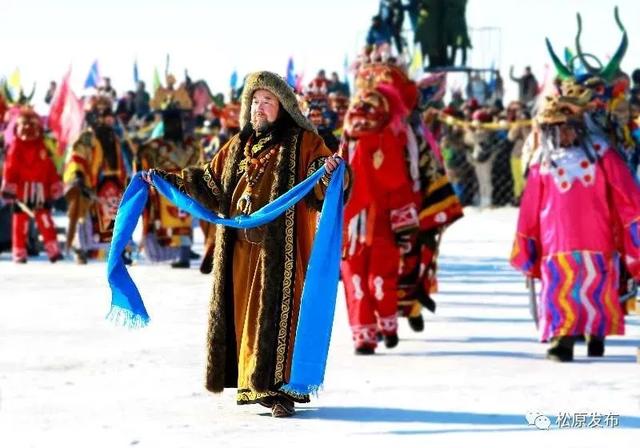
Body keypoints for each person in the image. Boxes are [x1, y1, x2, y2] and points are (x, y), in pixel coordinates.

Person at [146, 71, 345, 417]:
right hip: (238, 249)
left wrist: (328, 171)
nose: (260, 108)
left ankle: (279, 391)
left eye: (267, 101)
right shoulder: (237, 145)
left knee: (275, 314)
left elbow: (320, 179)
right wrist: (165, 180)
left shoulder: (302, 142)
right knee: (241, 317)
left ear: (282, 107)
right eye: (255, 101)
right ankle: (253, 383)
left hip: (278, 250)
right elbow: (207, 183)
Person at [511, 94, 640, 361]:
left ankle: (596, 333)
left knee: (595, 285)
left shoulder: (601, 153)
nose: (564, 134)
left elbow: (625, 193)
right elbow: (530, 207)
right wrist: (526, 240)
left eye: (568, 127)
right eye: (556, 129)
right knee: (559, 287)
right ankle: (562, 338)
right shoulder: (541, 161)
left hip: (598, 236)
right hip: (555, 240)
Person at [1, 106, 63, 263]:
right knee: (19, 223)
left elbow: (49, 168)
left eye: (32, 124)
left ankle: (53, 250)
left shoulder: (42, 146)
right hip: (22, 191)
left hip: (41, 191)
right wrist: (9, 188)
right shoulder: (15, 146)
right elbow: (10, 167)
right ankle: (19, 252)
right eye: (25, 124)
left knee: (45, 221)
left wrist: (54, 185)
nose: (28, 128)